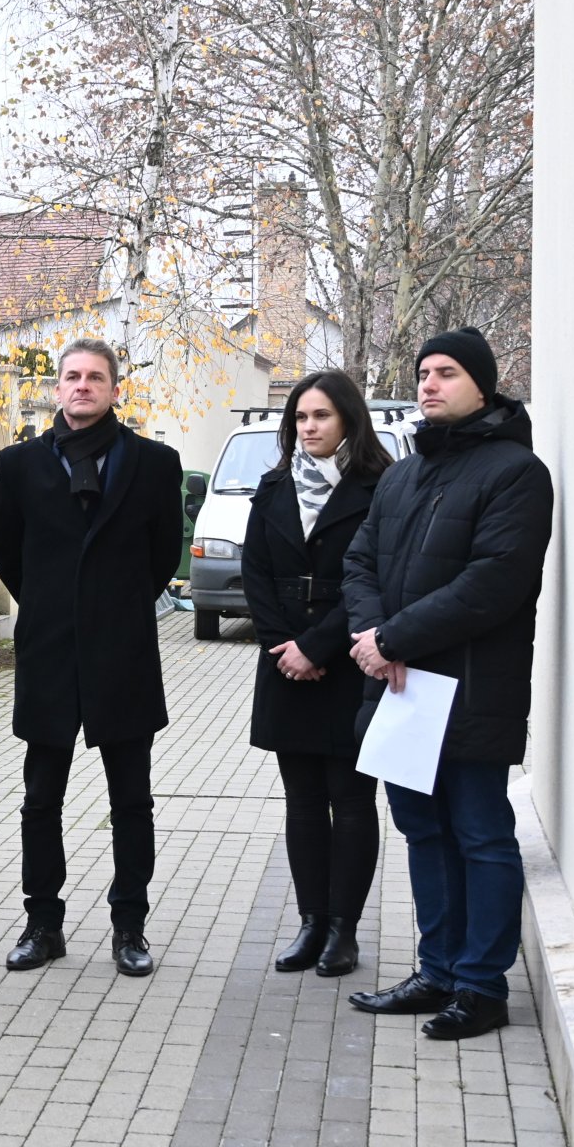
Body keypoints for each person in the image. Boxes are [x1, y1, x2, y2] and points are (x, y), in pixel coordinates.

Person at [343, 327, 552, 1040]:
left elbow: (494, 583)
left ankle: (482, 986)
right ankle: (437, 972)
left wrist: (394, 639)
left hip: (470, 689)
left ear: (483, 386)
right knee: (423, 833)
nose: (429, 384)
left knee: (480, 835)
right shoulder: (403, 474)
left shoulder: (516, 473)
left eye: (447, 372)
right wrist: (374, 638)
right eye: (424, 372)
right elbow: (360, 562)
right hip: (401, 690)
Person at [0, 339, 183, 978]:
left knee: (131, 799)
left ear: (115, 389)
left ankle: (130, 926)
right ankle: (42, 924)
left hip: (123, 653)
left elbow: (162, 555)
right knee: (41, 798)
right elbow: (6, 552)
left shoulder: (155, 463)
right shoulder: (19, 464)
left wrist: (113, 609)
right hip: (48, 653)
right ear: (57, 388)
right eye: (72, 376)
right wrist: (52, 607)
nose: (82, 386)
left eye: (95, 377)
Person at [242, 370, 393, 978]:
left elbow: (377, 577)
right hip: (285, 663)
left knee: (351, 800)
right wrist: (283, 647)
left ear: (349, 419)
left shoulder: (380, 486)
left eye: (321, 416)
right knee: (302, 801)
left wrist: (317, 646)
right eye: (301, 417)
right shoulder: (274, 485)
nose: (309, 427)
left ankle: (343, 931)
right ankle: (310, 923)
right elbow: (255, 573)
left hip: (351, 659)